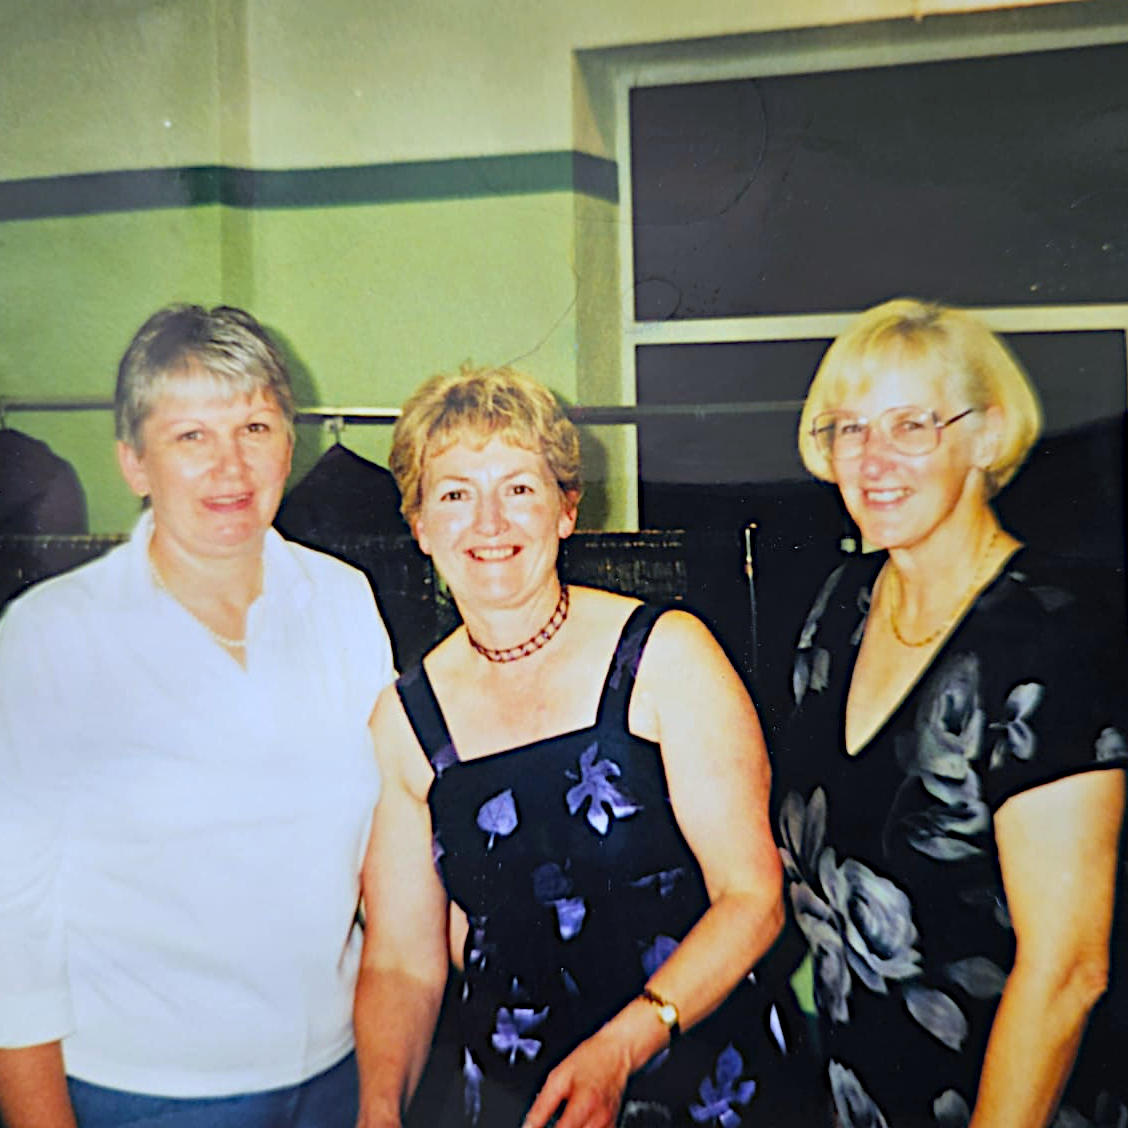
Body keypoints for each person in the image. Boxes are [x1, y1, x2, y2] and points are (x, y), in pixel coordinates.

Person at [355, 366, 811, 1128]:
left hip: (698, 1075)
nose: (489, 522)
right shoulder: (405, 720)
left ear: (567, 509)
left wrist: (620, 1051)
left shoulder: (666, 656)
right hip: (521, 1099)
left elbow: (753, 897)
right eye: (456, 494)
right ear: (420, 525)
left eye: (519, 488)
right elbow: (403, 961)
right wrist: (378, 1110)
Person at [0, 305, 395, 1128]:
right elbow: (13, 931)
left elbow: (389, 854)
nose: (231, 466)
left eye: (254, 426)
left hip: (337, 1074)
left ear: (290, 442)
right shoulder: (51, 636)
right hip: (142, 1095)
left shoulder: (342, 602)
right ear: (134, 461)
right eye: (191, 436)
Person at [777, 297, 1128, 1127]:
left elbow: (1067, 970)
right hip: (860, 1095)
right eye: (849, 428)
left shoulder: (1056, 632)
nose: (873, 458)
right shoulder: (841, 607)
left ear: (987, 435)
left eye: (912, 425)